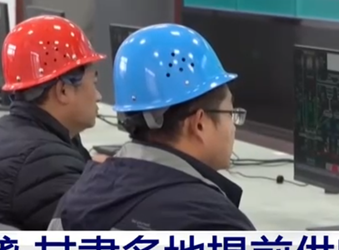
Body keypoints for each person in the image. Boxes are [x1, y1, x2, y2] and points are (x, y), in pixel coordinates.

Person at [49, 23, 256, 231]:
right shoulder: (217, 223)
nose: (233, 127)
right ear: (199, 123)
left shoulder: (78, 196)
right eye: (231, 113)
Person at [0, 15, 105, 230]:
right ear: (63, 91)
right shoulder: (47, 164)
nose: (98, 96)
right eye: (93, 82)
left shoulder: (10, 132)